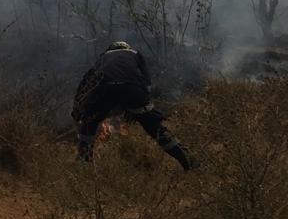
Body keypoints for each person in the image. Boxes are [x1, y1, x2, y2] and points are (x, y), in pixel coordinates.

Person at [72, 41, 196, 172]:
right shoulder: (135, 54)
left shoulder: (104, 57)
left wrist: (78, 108)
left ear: (111, 49)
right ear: (126, 48)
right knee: (156, 129)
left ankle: (84, 165)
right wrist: (142, 108)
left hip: (105, 90)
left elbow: (87, 82)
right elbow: (147, 83)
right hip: (132, 90)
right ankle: (190, 162)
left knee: (89, 123)